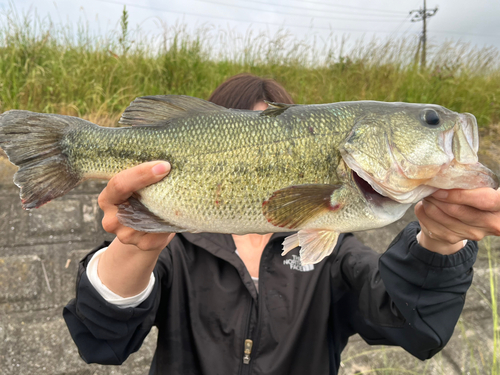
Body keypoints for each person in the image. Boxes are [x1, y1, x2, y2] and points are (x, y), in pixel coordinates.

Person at [63, 73, 500, 374]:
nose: (444, 126)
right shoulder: (177, 250)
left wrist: (440, 243)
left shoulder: (334, 255)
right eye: (430, 120)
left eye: (274, 129)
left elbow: (416, 326)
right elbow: (101, 339)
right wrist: (136, 246)